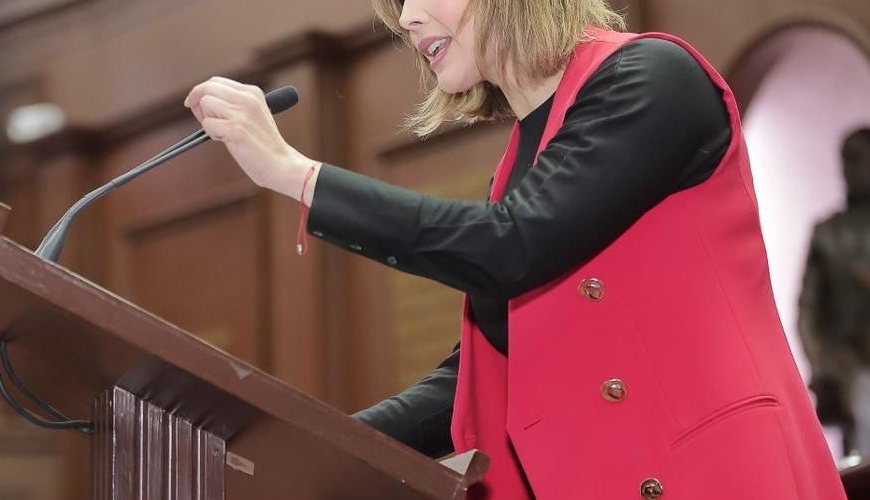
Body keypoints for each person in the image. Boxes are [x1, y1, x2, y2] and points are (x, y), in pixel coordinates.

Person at [183, 0, 845, 498]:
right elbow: (471, 377)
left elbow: (514, 243)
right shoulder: (516, 169)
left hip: (721, 477)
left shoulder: (652, 76)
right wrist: (302, 448)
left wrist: (295, 174)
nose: (408, 18)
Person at [800, 128, 870, 463]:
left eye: (858, 159)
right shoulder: (828, 234)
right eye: (846, 161)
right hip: (850, 371)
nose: (850, 169)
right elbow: (807, 312)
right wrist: (824, 364)